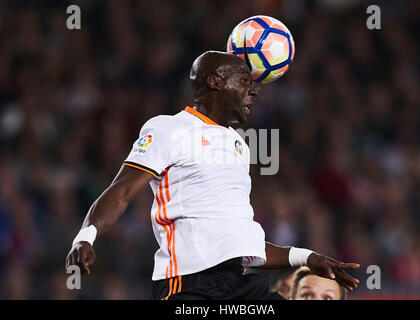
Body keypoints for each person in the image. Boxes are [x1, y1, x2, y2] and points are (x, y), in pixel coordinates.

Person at [65, 51, 360, 300]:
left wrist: (309, 257)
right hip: (188, 286)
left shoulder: (239, 147)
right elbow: (121, 192)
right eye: (245, 81)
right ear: (215, 82)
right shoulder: (168, 129)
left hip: (238, 285)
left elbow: (241, 242)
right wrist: (85, 237)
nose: (254, 90)